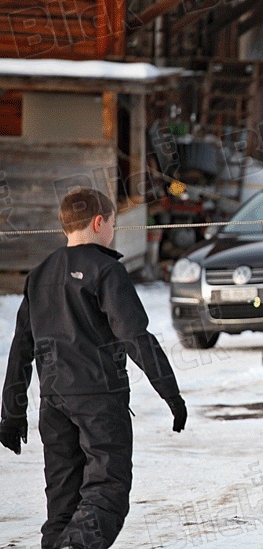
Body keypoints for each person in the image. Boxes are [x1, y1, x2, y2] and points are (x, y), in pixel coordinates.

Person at [0, 188, 187, 549]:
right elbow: (135, 336)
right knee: (107, 491)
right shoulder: (107, 270)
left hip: (54, 402)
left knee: (63, 500)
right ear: (100, 222)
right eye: (113, 223)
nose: (113, 230)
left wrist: (12, 413)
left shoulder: (39, 274)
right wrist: (171, 393)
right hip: (100, 400)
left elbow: (21, 347)